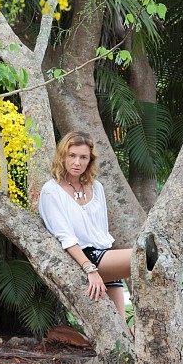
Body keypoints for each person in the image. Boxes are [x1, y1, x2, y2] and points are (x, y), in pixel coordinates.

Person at [38, 130, 131, 318]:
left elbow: (102, 232)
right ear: (62, 156)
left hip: (106, 256)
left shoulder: (97, 187)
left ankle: (142, 326)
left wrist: (111, 276)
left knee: (122, 328)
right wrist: (90, 269)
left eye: (83, 157)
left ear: (90, 160)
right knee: (145, 256)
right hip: (85, 257)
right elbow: (65, 237)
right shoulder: (51, 190)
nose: (77, 162)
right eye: (72, 156)